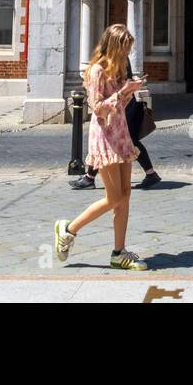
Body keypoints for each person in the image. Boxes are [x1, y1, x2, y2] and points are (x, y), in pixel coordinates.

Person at [54, 24, 149, 270]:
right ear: (115, 47)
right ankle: (68, 230)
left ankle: (119, 253)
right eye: (125, 48)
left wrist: (130, 91)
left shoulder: (118, 71)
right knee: (113, 197)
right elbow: (97, 108)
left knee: (125, 197)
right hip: (105, 136)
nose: (127, 53)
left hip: (121, 133)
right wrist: (122, 93)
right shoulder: (96, 71)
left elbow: (117, 105)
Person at [69, 60, 161, 191]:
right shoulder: (116, 59)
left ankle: (90, 178)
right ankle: (150, 173)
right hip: (121, 105)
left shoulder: (114, 60)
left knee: (123, 142)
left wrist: (129, 88)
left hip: (123, 106)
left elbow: (119, 86)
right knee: (126, 142)